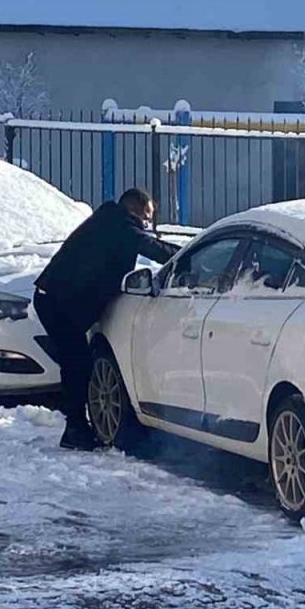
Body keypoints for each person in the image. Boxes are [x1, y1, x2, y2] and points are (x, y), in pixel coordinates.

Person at [34, 188, 180, 450]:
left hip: (53, 297)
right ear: (134, 210)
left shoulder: (109, 220)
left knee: (77, 362)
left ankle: (77, 426)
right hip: (58, 302)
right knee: (76, 364)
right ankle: (75, 429)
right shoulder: (122, 227)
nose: (148, 222)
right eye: (147, 215)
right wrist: (185, 256)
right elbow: (152, 247)